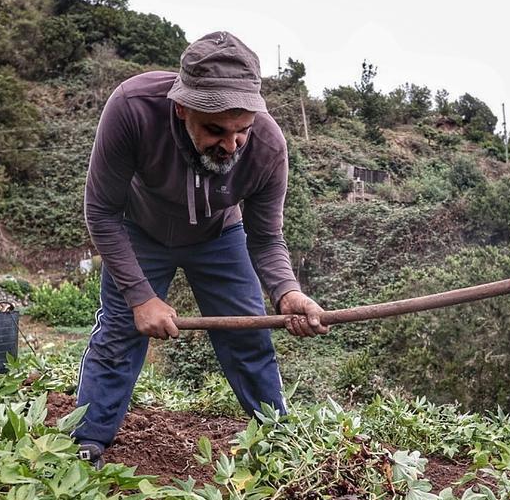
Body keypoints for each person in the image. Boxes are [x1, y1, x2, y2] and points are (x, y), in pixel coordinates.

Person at [74, 31, 328, 469]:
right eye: (215, 130)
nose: (230, 145)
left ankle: (277, 441)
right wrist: (141, 297)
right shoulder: (133, 108)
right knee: (120, 332)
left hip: (218, 236)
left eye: (241, 131)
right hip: (138, 230)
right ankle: (87, 442)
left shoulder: (267, 148)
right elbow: (101, 211)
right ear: (182, 106)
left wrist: (287, 292)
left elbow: (265, 238)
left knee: (248, 331)